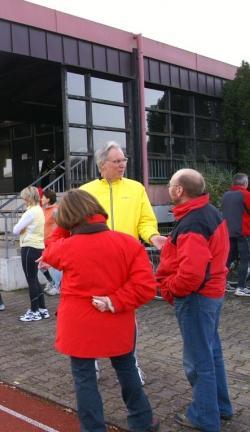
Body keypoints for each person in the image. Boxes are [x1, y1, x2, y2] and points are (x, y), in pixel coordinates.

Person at [41, 189, 158, 432]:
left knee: (84, 378)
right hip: (117, 318)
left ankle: (93, 428)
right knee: (126, 369)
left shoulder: (66, 247)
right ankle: (142, 421)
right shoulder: (127, 243)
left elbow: (50, 246)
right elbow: (146, 287)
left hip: (78, 322)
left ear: (70, 219)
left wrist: (64, 225)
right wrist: (115, 300)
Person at [79, 141, 166, 384]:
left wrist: (153, 236)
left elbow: (145, 221)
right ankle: (91, 361)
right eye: (117, 161)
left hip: (126, 263)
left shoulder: (136, 188)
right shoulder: (86, 191)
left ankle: (131, 363)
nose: (122, 165)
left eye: (124, 160)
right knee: (93, 314)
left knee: (127, 315)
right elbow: (75, 226)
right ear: (102, 165)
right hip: (94, 264)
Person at [156, 168, 233, 430]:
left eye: (170, 185)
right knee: (211, 353)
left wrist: (169, 288)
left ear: (179, 191)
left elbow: (190, 274)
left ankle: (204, 417)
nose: (168, 189)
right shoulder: (208, 212)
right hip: (211, 294)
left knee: (198, 361)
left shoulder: (192, 223)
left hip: (197, 299)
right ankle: (220, 408)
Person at [13, 186, 49, 322]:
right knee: (34, 278)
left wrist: (22, 230)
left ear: (28, 197)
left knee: (31, 279)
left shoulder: (30, 212)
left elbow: (15, 230)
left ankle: (34, 310)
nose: (22, 199)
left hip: (29, 247)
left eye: (23, 197)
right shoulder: (39, 210)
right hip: (38, 246)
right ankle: (42, 309)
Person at [221, 173, 250, 297]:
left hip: (228, 232)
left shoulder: (226, 195)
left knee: (228, 259)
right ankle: (241, 287)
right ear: (245, 183)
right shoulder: (245, 194)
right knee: (245, 260)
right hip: (243, 232)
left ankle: (221, 284)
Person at [41, 189, 61, 295]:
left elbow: (62, 226)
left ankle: (57, 287)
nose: (41, 199)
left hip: (53, 242)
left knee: (55, 265)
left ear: (48, 199)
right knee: (41, 266)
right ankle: (51, 282)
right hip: (43, 242)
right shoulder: (43, 210)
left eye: (43, 197)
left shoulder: (56, 210)